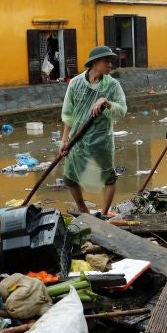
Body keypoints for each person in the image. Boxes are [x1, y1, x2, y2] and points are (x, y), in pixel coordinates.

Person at [60, 45, 127, 216]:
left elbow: (122, 110)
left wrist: (107, 102)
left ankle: (103, 214)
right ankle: (83, 208)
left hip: (101, 140)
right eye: (107, 61)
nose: (110, 65)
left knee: (108, 178)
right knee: (69, 177)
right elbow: (68, 114)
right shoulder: (76, 83)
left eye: (111, 61)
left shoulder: (112, 85)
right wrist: (64, 140)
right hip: (78, 139)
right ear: (95, 62)